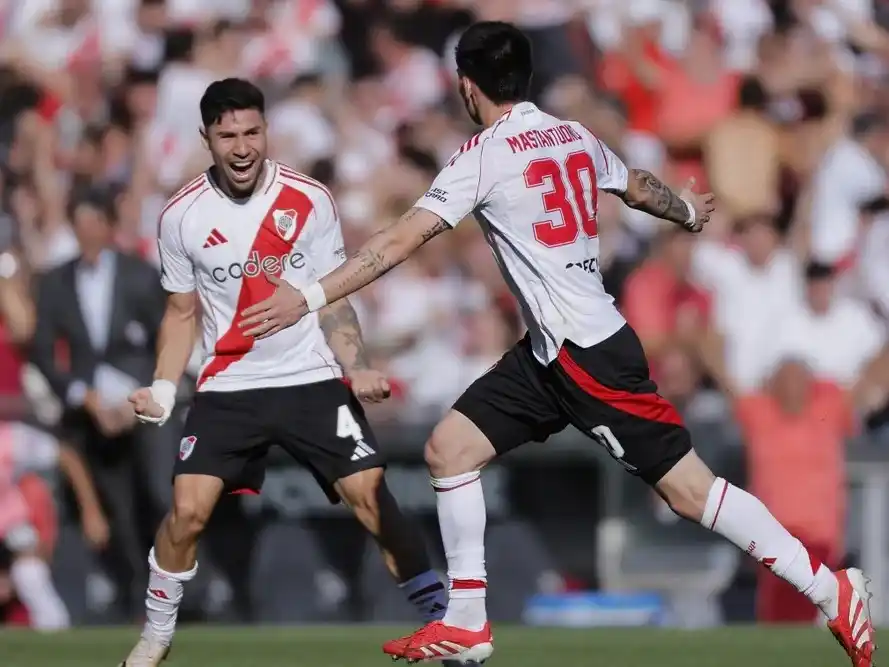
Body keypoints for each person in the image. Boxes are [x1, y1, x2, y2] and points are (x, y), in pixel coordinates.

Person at [238, 22, 875, 667]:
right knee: (449, 449)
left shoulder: (484, 155)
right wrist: (683, 211)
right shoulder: (573, 134)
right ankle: (467, 622)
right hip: (549, 352)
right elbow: (637, 185)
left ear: (467, 86)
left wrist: (307, 297)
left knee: (691, 492)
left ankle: (831, 590)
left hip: (586, 356)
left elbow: (398, 242)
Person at [121, 78, 450, 666]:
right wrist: (165, 388)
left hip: (310, 379)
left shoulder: (309, 199)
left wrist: (358, 367)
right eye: (228, 136)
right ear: (206, 139)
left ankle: (442, 626)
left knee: (373, 499)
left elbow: (334, 297)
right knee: (187, 511)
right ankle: (156, 635)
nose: (242, 147)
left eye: (252, 132)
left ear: (267, 130)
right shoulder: (181, 215)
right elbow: (181, 313)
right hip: (229, 386)